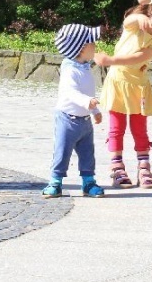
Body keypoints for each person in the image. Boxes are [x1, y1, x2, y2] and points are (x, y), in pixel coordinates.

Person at [94, 0, 152, 189]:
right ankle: (117, 168)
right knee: (116, 128)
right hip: (118, 82)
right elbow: (128, 22)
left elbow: (139, 58)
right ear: (151, 9)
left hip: (138, 86)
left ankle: (144, 167)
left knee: (140, 129)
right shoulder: (136, 23)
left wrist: (110, 60)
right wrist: (140, 17)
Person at [41, 24, 106, 199]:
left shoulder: (84, 67)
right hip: (67, 119)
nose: (95, 46)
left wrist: (94, 111)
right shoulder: (70, 69)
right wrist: (88, 102)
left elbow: (88, 93)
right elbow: (71, 93)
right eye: (92, 42)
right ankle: (55, 182)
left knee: (87, 153)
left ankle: (88, 181)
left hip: (84, 120)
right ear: (81, 48)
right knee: (62, 151)